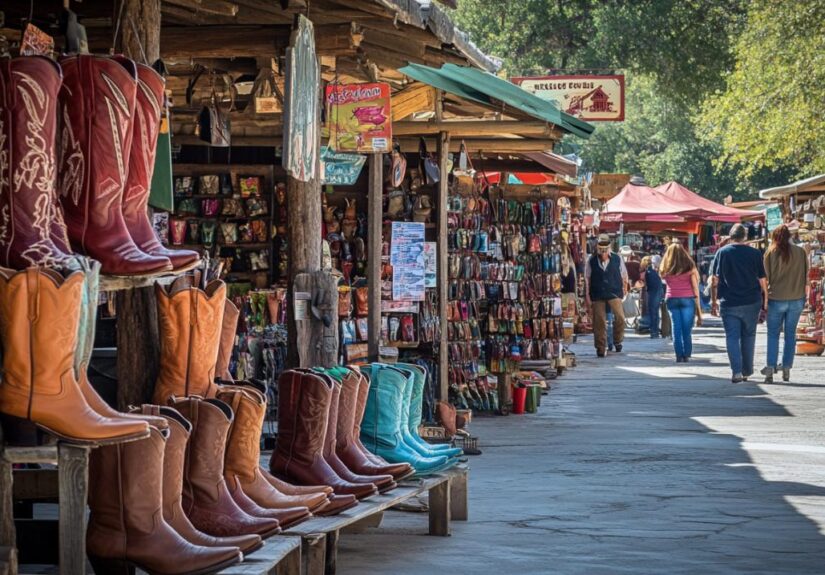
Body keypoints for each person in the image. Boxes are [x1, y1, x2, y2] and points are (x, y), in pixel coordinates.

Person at [711, 224, 768, 383]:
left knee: (732, 337)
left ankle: (736, 372)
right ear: (745, 236)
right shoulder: (755, 253)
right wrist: (766, 301)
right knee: (749, 335)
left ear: (730, 236)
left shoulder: (722, 252)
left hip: (729, 301)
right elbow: (762, 279)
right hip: (751, 301)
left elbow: (715, 279)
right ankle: (746, 371)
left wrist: (713, 302)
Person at [761, 224, 808, 383]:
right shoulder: (801, 252)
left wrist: (765, 299)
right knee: (790, 335)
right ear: (790, 236)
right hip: (797, 298)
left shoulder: (770, 253)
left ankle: (770, 368)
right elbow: (805, 275)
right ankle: (786, 367)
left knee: (773, 334)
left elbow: (765, 278)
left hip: (776, 299)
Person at [586, 234, 629, 357]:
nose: (603, 250)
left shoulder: (617, 258)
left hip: (614, 291)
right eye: (601, 247)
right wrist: (587, 296)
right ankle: (600, 347)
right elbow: (587, 279)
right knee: (599, 321)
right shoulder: (592, 260)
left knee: (620, 317)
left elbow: (624, 275)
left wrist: (625, 289)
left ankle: (617, 340)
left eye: (605, 247)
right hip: (597, 292)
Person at [660, 242, 701, 363]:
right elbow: (695, 285)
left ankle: (679, 355)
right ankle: (686, 354)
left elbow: (662, 279)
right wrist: (698, 304)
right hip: (687, 298)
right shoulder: (690, 266)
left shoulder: (665, 267)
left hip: (671, 298)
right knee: (686, 329)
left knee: (675, 327)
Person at [642, 256, 663, 338]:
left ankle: (657, 331)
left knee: (657, 312)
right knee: (653, 312)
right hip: (652, 293)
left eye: (656, 263)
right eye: (653, 263)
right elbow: (645, 282)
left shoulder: (661, 270)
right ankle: (654, 332)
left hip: (659, 292)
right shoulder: (648, 270)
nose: (655, 265)